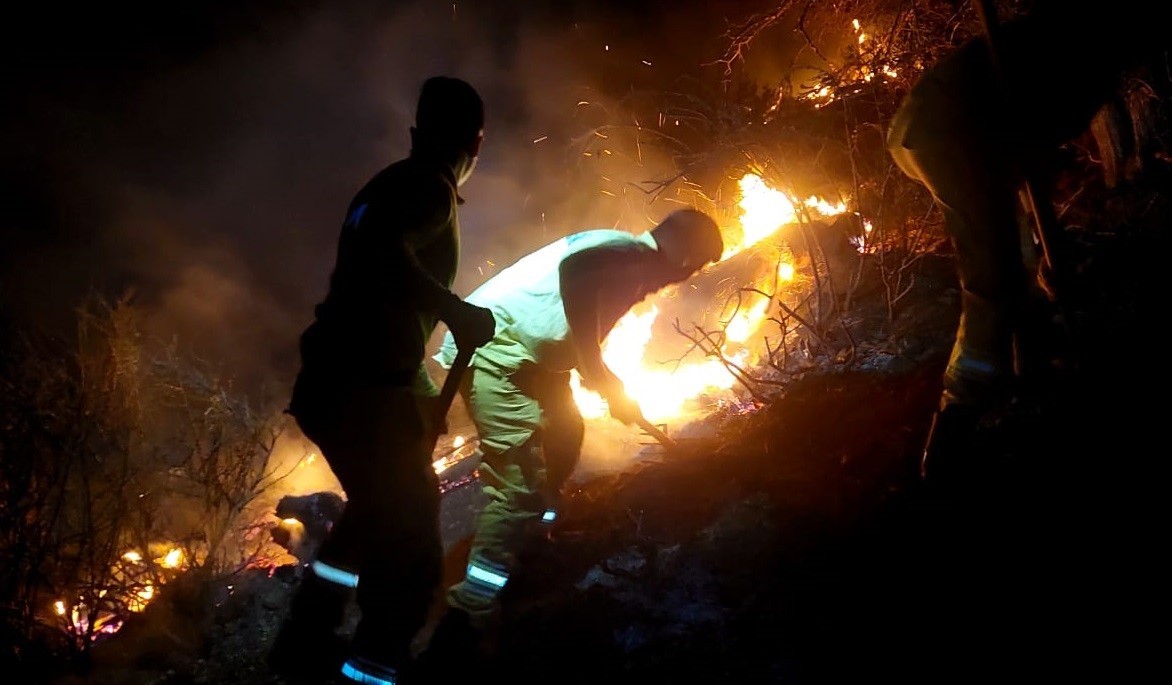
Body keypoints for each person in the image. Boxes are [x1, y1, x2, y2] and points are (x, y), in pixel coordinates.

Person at [414, 208, 725, 673]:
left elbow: (581, 331)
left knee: (567, 434)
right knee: (517, 488)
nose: (686, 277)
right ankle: (465, 620)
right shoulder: (631, 252)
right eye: (694, 264)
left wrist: (606, 382)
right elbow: (574, 274)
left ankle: (535, 535)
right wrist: (596, 366)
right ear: (680, 250)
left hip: (534, 359)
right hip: (495, 352)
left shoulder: (628, 259)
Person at [268, 75, 497, 685]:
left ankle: (302, 643)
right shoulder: (429, 188)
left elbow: (381, 301)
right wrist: (454, 308)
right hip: (361, 390)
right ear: (476, 145)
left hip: (344, 383)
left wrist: (421, 399)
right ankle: (371, 672)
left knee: (371, 515)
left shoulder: (389, 183)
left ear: (417, 132)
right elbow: (381, 253)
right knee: (412, 549)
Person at [885, 2, 1162, 487]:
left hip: (966, 132)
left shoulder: (1083, 42)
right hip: (947, 131)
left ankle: (1028, 358)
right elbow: (1038, 132)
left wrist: (1043, 237)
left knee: (1023, 252)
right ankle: (957, 421)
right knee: (994, 274)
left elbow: (1035, 145)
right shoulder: (1085, 47)